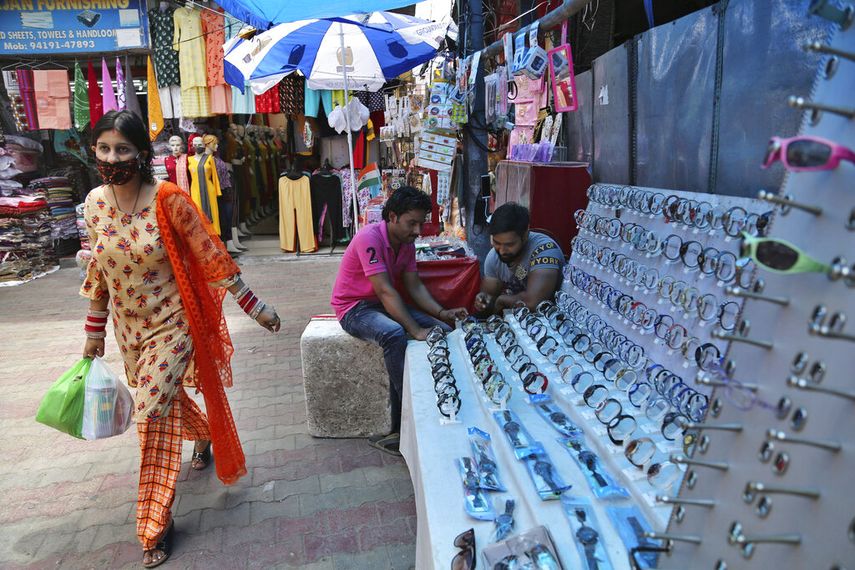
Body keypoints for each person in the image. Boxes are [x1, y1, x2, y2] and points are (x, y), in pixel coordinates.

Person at [79, 110, 281, 568]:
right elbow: (99, 270)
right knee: (164, 401)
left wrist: (256, 307)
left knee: (150, 414)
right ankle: (203, 435)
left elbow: (213, 256)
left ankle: (154, 522)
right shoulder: (93, 204)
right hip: (129, 329)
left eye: (123, 149)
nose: (113, 158)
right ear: (95, 152)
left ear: (142, 154)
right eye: (105, 149)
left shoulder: (168, 200)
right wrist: (93, 332)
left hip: (173, 324)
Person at [331, 186, 468, 455]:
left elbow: (414, 286)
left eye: (421, 223)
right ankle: (405, 422)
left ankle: (440, 398)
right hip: (354, 308)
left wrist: (442, 314)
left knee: (442, 330)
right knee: (394, 334)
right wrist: (415, 329)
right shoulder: (368, 238)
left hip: (381, 304)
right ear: (392, 217)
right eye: (412, 223)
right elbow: (384, 289)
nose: (418, 231)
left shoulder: (405, 244)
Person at [474, 202, 565, 315]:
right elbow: (488, 299)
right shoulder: (493, 256)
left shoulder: (545, 250)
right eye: (497, 243)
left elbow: (533, 303)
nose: (502, 251)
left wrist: (502, 300)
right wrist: (483, 301)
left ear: (525, 235)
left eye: (509, 245)